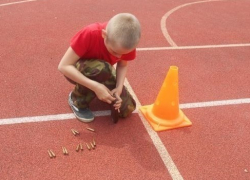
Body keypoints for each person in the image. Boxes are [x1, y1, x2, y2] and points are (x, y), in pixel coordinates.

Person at [58, 13, 141, 123]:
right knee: (102, 69)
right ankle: (77, 100)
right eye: (115, 52)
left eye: (123, 54)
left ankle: (101, 87)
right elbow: (63, 66)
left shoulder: (126, 42)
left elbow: (122, 65)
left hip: (103, 71)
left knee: (127, 109)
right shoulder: (90, 33)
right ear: (104, 35)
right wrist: (96, 87)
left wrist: (119, 88)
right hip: (77, 71)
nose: (118, 57)